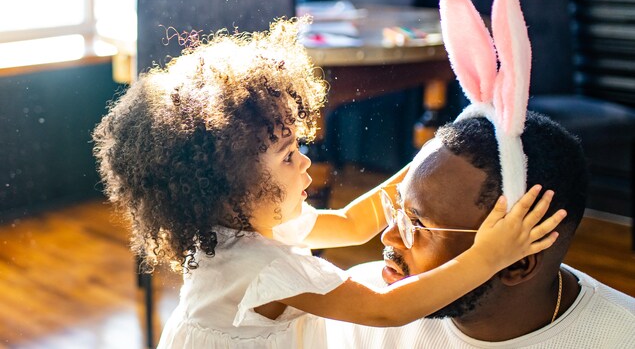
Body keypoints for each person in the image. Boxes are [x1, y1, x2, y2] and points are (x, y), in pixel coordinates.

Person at [92, 18, 563, 348]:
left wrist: (435, 151)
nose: (306, 162)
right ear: (233, 187)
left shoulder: (257, 222)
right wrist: (490, 255)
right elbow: (386, 310)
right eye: (288, 156)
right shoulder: (257, 266)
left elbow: (355, 223)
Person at [326, 0, 635, 346]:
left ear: (518, 264)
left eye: (419, 225)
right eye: (397, 212)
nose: (388, 238)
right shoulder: (359, 314)